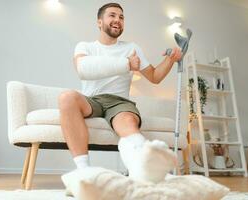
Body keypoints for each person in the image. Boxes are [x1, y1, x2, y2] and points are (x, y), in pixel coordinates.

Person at [58, 2, 182, 183]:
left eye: (121, 17)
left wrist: (171, 60)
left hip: (119, 102)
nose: (118, 20)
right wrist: (126, 64)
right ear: (99, 22)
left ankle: (145, 168)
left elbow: (154, 76)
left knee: (128, 125)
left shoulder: (132, 48)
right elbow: (83, 68)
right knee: (66, 98)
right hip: (91, 100)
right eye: (112, 15)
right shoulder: (85, 46)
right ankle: (85, 173)